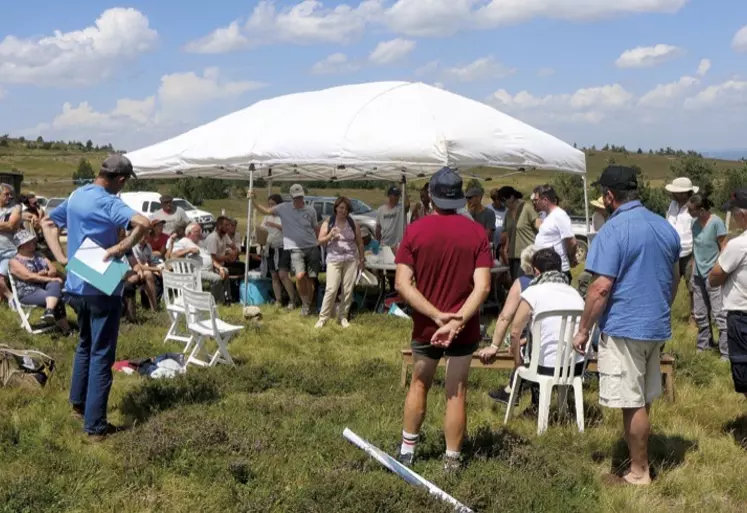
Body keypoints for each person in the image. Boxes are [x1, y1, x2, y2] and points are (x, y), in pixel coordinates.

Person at [572, 165, 680, 486]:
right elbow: (673, 280)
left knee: (631, 401)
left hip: (624, 327)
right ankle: (640, 460)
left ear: (609, 196)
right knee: (642, 398)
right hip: (655, 325)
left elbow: (600, 287)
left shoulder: (612, 231)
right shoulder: (665, 227)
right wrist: (660, 308)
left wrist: (583, 330)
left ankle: (638, 471)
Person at [43, 154, 150, 441]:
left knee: (84, 345)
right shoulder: (108, 201)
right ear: (121, 180)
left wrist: (61, 257)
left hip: (77, 285)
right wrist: (121, 247)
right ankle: (95, 427)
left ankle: (78, 404)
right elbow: (144, 223)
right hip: (102, 286)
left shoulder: (78, 194)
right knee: (102, 354)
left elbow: (47, 223)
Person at [394, 167, 492, 471]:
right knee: (456, 391)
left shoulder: (415, 231)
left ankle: (407, 450)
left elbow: (402, 284)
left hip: (427, 324)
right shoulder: (477, 232)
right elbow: (484, 286)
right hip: (463, 328)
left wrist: (437, 316)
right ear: (460, 198)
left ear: (432, 196)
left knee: (419, 383)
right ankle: (451, 460)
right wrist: (457, 321)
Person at [478, 244, 537, 404]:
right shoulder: (557, 286)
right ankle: (512, 389)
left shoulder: (522, 283)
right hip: (557, 346)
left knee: (519, 342)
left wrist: (495, 346)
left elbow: (505, 317)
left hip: (529, 343)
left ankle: (512, 389)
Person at [251, 184, 321, 316]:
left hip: (311, 247)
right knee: (300, 276)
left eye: (300, 197)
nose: (298, 201)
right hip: (295, 249)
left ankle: (309, 305)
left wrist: (319, 242)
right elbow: (265, 211)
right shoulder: (283, 208)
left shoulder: (311, 210)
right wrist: (253, 200)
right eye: (295, 198)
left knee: (311, 279)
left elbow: (315, 228)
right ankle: (305, 304)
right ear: (291, 198)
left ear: (303, 196)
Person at [709, 188, 747, 399]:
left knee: (744, 377)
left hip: (742, 318)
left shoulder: (738, 245)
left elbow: (714, 277)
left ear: (742, 215)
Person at [687, 194, 728, 358]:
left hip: (714, 273)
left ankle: (726, 352)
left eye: (691, 210)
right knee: (700, 312)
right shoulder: (693, 223)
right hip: (697, 272)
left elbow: (724, 247)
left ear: (702, 210)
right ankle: (704, 346)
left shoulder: (716, 222)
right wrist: (692, 265)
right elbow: (695, 246)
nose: (689, 213)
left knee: (719, 313)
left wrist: (719, 269)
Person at [9, 230, 71, 335]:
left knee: (55, 285)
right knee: (57, 295)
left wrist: (47, 274)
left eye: (33, 240)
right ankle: (67, 330)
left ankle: (49, 311)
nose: (34, 242)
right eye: (30, 241)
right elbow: (29, 277)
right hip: (28, 292)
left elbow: (53, 270)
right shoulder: (14, 261)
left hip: (46, 287)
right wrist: (48, 277)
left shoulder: (40, 255)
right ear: (22, 245)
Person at [315, 197, 365, 329]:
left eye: (346, 209)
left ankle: (343, 316)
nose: (343, 211)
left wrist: (361, 259)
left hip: (350, 260)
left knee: (347, 290)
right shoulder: (329, 222)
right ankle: (323, 318)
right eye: (341, 208)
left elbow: (360, 242)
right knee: (331, 289)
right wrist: (330, 235)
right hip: (334, 260)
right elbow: (319, 241)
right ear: (336, 208)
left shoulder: (353, 223)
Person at [172, 223, 230, 304]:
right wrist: (189, 250)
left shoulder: (200, 243)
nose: (200, 233)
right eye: (197, 231)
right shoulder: (183, 242)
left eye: (200, 231)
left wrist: (219, 267)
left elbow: (211, 259)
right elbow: (173, 255)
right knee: (217, 278)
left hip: (209, 269)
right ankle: (216, 301)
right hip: (197, 271)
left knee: (225, 271)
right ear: (189, 233)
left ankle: (227, 298)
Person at [666, 177, 698, 316]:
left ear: (685, 193)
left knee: (693, 286)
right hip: (671, 253)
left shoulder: (694, 208)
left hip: (688, 253)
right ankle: (665, 313)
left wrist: (695, 257)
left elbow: (698, 233)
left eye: (676, 192)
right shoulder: (672, 205)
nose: (673, 194)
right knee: (668, 285)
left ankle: (694, 315)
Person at [532, 184, 577, 282]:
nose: (535, 203)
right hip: (545, 269)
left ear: (544, 200)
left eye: (537, 200)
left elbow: (571, 242)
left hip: (558, 270)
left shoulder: (560, 215)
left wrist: (572, 258)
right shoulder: (545, 215)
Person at [261, 194, 297, 309]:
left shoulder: (284, 216)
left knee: (283, 275)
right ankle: (278, 300)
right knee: (274, 275)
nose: (271, 207)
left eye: (273, 205)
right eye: (269, 205)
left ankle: (293, 299)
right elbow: (262, 229)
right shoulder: (267, 217)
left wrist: (275, 225)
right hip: (270, 247)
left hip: (282, 247)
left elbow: (289, 229)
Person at [499, 186, 539, 281]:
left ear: (512, 197)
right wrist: (505, 250)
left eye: (504, 200)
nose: (503, 204)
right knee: (516, 285)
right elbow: (508, 234)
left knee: (524, 285)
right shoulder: (507, 214)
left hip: (528, 256)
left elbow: (541, 228)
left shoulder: (527, 208)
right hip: (513, 257)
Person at [0, 183, 22, 303]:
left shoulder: (16, 208)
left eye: (11, 194)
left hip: (8, 249)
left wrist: (7, 226)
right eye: (6, 194)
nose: (9, 197)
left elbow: (11, 225)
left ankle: (11, 298)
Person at [131, 235, 161, 311]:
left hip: (144, 269)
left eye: (146, 236)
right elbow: (138, 265)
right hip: (133, 269)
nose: (145, 238)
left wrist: (158, 270)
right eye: (143, 236)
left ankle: (155, 303)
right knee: (148, 274)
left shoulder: (148, 246)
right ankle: (154, 306)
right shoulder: (133, 247)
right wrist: (155, 269)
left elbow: (151, 262)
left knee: (160, 274)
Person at [487, 188, 508, 257]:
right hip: (490, 246)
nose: (502, 202)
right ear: (494, 199)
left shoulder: (507, 210)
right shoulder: (487, 210)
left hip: (503, 246)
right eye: (500, 200)